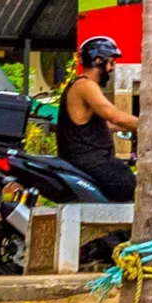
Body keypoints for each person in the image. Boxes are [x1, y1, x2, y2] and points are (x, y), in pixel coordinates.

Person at [59, 34, 135, 202]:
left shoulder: (81, 85)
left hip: (88, 161)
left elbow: (107, 125)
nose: (113, 67)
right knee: (134, 186)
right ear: (99, 60)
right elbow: (114, 116)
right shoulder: (85, 86)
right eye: (112, 62)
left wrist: (132, 127)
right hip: (91, 162)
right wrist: (150, 125)